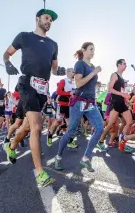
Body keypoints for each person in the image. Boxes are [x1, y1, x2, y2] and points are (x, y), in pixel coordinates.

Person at [3, 9, 66, 187]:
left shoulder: (53, 44)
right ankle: (40, 173)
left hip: (42, 88)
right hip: (26, 83)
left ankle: (11, 146)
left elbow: (54, 69)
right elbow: (7, 53)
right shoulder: (24, 36)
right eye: (46, 18)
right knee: (37, 126)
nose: (49, 22)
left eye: (51, 20)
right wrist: (8, 63)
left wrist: (58, 71)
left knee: (26, 127)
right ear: (37, 19)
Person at [54, 42, 103, 172]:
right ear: (84, 50)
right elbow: (79, 83)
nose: (93, 52)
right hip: (78, 102)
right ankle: (58, 157)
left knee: (99, 128)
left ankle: (85, 158)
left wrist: (95, 81)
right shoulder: (80, 64)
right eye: (91, 49)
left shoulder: (91, 66)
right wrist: (94, 73)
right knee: (71, 132)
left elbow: (88, 82)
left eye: (94, 49)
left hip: (90, 102)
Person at [98, 59, 132, 152]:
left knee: (129, 122)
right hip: (115, 103)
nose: (126, 65)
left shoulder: (122, 78)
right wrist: (122, 94)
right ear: (119, 65)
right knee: (110, 125)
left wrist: (127, 97)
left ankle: (122, 143)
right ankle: (100, 142)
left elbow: (121, 91)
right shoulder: (114, 75)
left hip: (122, 103)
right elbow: (110, 89)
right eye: (124, 63)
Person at [48, 68, 76, 147]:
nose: (74, 73)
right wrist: (69, 93)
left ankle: (70, 142)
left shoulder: (74, 83)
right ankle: (50, 135)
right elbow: (58, 92)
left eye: (74, 71)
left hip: (70, 105)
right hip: (62, 105)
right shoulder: (63, 81)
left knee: (70, 125)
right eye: (73, 71)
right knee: (58, 122)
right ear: (68, 72)